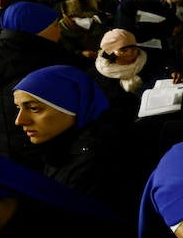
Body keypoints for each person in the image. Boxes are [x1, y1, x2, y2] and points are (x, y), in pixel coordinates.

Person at [12, 64, 147, 225]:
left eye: (34, 108)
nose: (19, 120)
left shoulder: (96, 162)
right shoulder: (59, 146)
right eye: (18, 108)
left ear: (74, 106)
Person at [0, 1, 85, 167]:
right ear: (38, 30)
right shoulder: (44, 61)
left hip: (2, 149)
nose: (59, 30)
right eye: (54, 26)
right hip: (42, 151)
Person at [115, 0, 179, 69]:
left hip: (162, 49)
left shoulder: (157, 4)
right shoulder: (127, 7)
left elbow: (172, 24)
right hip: (138, 51)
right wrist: (157, 30)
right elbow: (127, 30)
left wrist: (147, 27)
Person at [91, 27, 150, 121]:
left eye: (133, 48)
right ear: (112, 52)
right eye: (124, 50)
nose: (130, 53)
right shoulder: (103, 73)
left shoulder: (145, 59)